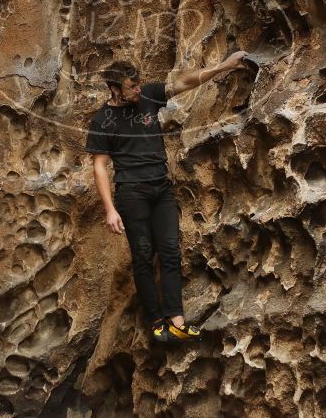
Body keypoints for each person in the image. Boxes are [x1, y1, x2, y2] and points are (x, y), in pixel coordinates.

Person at [84, 51, 252, 343]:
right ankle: (157, 322)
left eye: (138, 85)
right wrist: (110, 210)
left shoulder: (147, 95)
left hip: (161, 189)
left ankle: (176, 320)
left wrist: (224, 65)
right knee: (143, 257)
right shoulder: (103, 120)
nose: (137, 90)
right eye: (130, 87)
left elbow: (184, 83)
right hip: (131, 194)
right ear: (115, 90)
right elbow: (99, 166)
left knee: (171, 251)